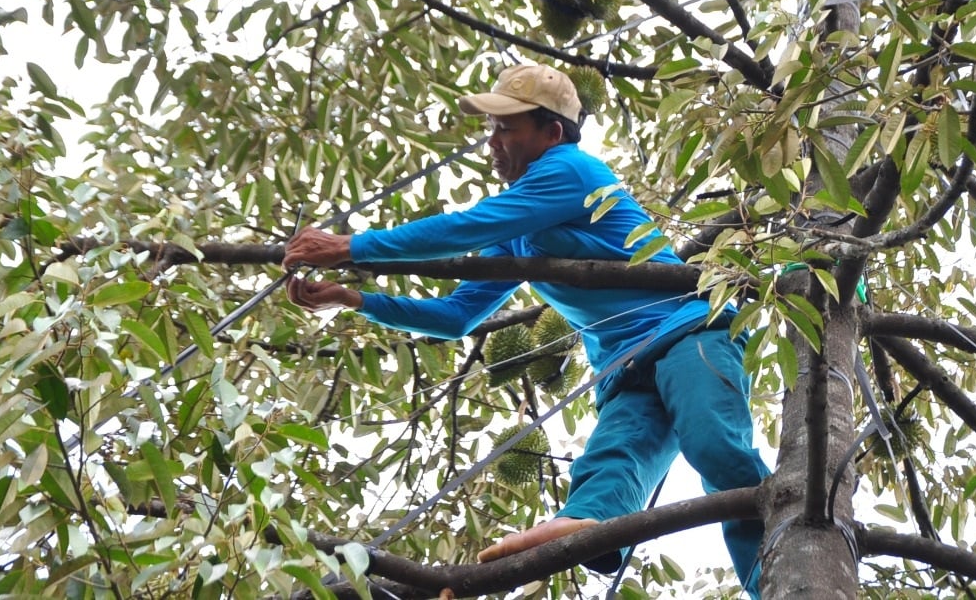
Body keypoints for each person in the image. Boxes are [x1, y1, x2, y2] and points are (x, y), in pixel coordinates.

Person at [282, 63, 771, 598]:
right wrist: (356, 298)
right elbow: (457, 316)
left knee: (716, 447)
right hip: (623, 365)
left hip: (688, 333)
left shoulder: (570, 171)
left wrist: (352, 247)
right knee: (613, 464)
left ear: (551, 133)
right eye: (492, 129)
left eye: (506, 129)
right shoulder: (521, 232)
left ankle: (776, 574)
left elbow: (469, 225)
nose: (492, 142)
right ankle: (590, 522)